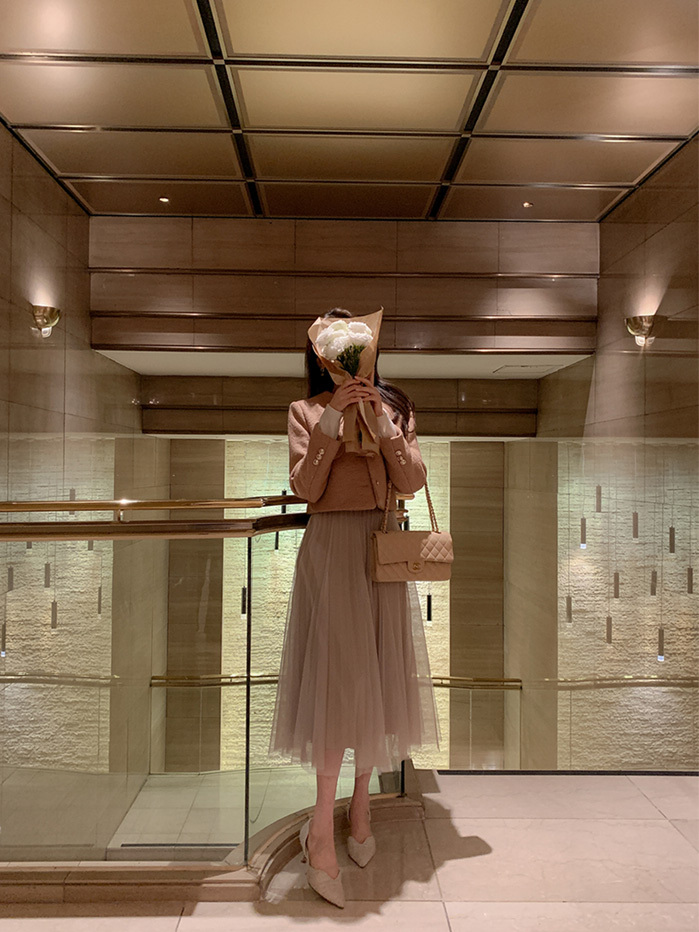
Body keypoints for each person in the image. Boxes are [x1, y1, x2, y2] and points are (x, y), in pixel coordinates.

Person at [268, 308, 439, 908]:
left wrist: (382, 422)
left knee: (377, 682)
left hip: (382, 550)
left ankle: (360, 806)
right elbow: (305, 489)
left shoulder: (397, 406)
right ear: (320, 357)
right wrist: (333, 418)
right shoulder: (305, 410)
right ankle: (321, 826)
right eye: (336, 351)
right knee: (337, 684)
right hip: (331, 553)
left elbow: (411, 481)